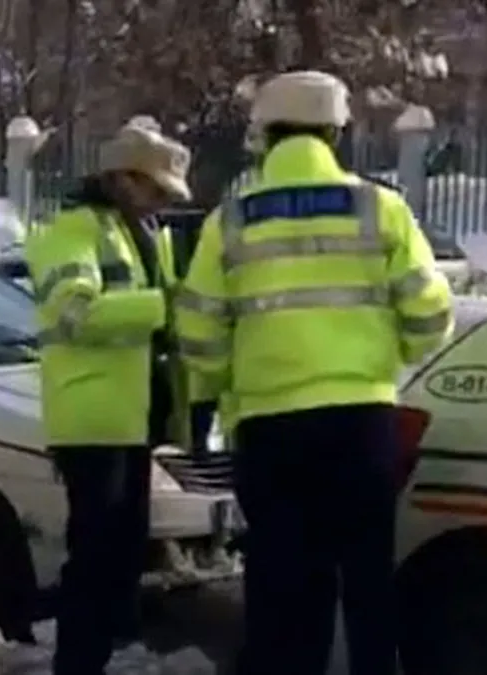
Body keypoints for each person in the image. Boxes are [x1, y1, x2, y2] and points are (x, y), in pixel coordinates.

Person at [175, 70, 455, 675]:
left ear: (266, 136)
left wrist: (232, 383)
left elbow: (197, 328)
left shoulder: (230, 221)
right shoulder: (380, 208)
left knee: (281, 590)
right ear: (335, 132)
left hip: (270, 430)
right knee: (367, 582)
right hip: (361, 426)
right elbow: (432, 313)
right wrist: (386, 359)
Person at [24, 123, 192, 675]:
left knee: (120, 556)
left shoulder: (138, 230)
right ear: (122, 178)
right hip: (91, 418)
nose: (163, 201)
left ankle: (100, 655)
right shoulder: (72, 230)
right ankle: (78, 663)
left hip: (131, 418)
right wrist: (163, 305)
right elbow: (76, 312)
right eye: (157, 189)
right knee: (96, 557)